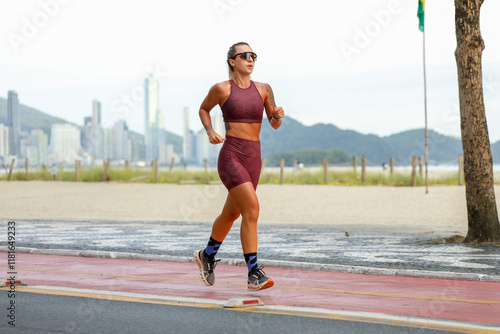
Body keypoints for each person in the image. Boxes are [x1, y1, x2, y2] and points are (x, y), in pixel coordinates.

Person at [194, 42, 285, 291]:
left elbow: (274, 124)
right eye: (245, 55)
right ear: (232, 62)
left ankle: (207, 255)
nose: (251, 59)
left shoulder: (264, 89)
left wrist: (277, 114)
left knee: (232, 214)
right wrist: (210, 130)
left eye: (253, 55)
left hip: (254, 157)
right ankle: (253, 273)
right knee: (252, 209)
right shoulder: (222, 89)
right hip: (231, 155)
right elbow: (203, 109)